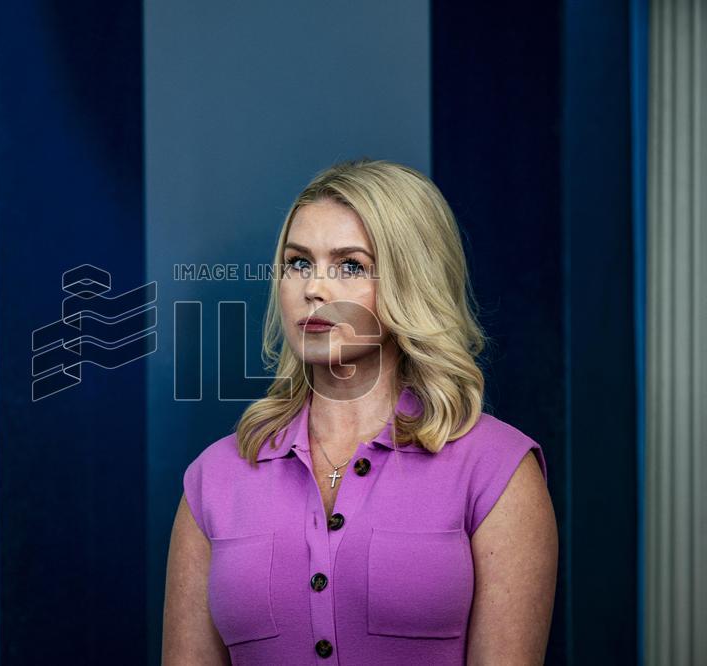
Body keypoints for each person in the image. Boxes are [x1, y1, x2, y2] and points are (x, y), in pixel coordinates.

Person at [162, 159, 558, 665]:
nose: (313, 289)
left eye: (350, 266)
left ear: (412, 284)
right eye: (298, 262)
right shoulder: (214, 479)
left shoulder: (498, 470)